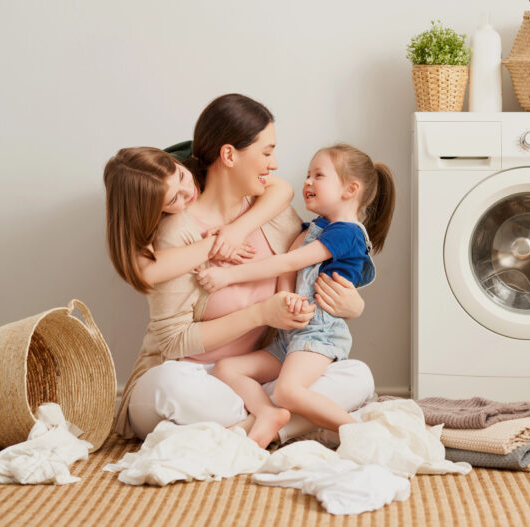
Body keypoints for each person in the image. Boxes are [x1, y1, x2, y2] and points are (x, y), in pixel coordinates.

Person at [112, 94, 375, 441]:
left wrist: (354, 304)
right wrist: (261, 313)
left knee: (357, 375)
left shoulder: (273, 212)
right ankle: (276, 422)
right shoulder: (178, 232)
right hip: (197, 375)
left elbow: (312, 270)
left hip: (256, 373)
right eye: (266, 152)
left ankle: (253, 425)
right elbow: (173, 342)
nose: (276, 162)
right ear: (229, 155)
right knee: (166, 386)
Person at [196, 144, 395, 447]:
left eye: (318, 176)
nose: (307, 182)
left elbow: (289, 262)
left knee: (288, 391)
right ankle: (267, 414)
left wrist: (228, 275)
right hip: (289, 336)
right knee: (227, 368)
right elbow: (287, 272)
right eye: (307, 175)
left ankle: (360, 433)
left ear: (350, 189)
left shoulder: (348, 233)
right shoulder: (316, 228)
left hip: (319, 335)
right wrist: (286, 299)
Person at [103, 146, 294, 294]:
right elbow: (146, 272)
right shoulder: (142, 213)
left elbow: (282, 189)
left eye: (181, 176)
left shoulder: (199, 158)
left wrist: (236, 231)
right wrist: (216, 245)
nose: (188, 191)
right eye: (174, 199)